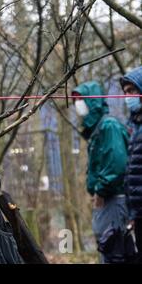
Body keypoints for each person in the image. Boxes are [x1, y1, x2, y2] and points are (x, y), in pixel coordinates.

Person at [72, 81, 129, 263]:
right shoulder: (97, 130)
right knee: (106, 250)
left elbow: (117, 163)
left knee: (115, 252)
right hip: (106, 202)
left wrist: (101, 189)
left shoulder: (108, 126)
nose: (77, 104)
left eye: (81, 99)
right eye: (76, 100)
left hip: (114, 200)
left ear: (93, 101)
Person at [120, 66, 142, 263]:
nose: (127, 96)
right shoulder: (134, 125)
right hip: (138, 213)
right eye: (125, 92)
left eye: (132, 91)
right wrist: (133, 213)